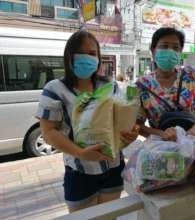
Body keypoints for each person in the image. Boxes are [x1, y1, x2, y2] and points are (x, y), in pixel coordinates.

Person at [36, 30, 138, 213]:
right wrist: (81, 153)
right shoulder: (55, 89)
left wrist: (129, 135)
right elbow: (49, 132)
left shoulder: (110, 86)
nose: (86, 57)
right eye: (80, 52)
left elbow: (121, 121)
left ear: (99, 58)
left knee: (108, 216)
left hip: (113, 167)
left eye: (92, 53)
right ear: (69, 57)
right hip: (79, 173)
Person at [135, 27, 195, 220]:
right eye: (164, 46)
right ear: (153, 50)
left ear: (180, 52)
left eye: (175, 47)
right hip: (160, 158)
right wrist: (160, 133)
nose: (170, 51)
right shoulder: (141, 85)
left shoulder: (191, 76)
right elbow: (137, 125)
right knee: (166, 208)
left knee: (194, 208)